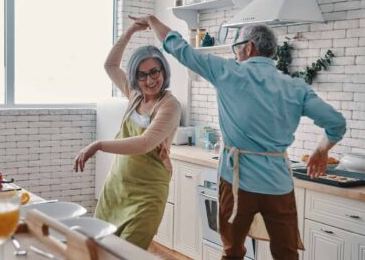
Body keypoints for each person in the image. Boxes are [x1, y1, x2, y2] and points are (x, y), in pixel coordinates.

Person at [129, 15, 346, 260]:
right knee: (286, 254)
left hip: (236, 183)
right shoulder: (295, 87)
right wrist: (322, 149)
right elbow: (336, 124)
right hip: (279, 185)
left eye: (236, 48)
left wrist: (153, 21)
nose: (235, 54)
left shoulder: (227, 72)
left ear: (249, 47)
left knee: (232, 252)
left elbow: (180, 48)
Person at [73, 21, 181, 250]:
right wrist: (130, 31)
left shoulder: (169, 106)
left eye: (155, 72)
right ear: (134, 78)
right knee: (99, 248)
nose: (150, 80)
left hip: (147, 194)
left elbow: (145, 143)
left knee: (125, 253)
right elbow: (110, 65)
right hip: (116, 187)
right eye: (142, 75)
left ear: (163, 71)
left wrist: (99, 145)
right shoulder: (135, 95)